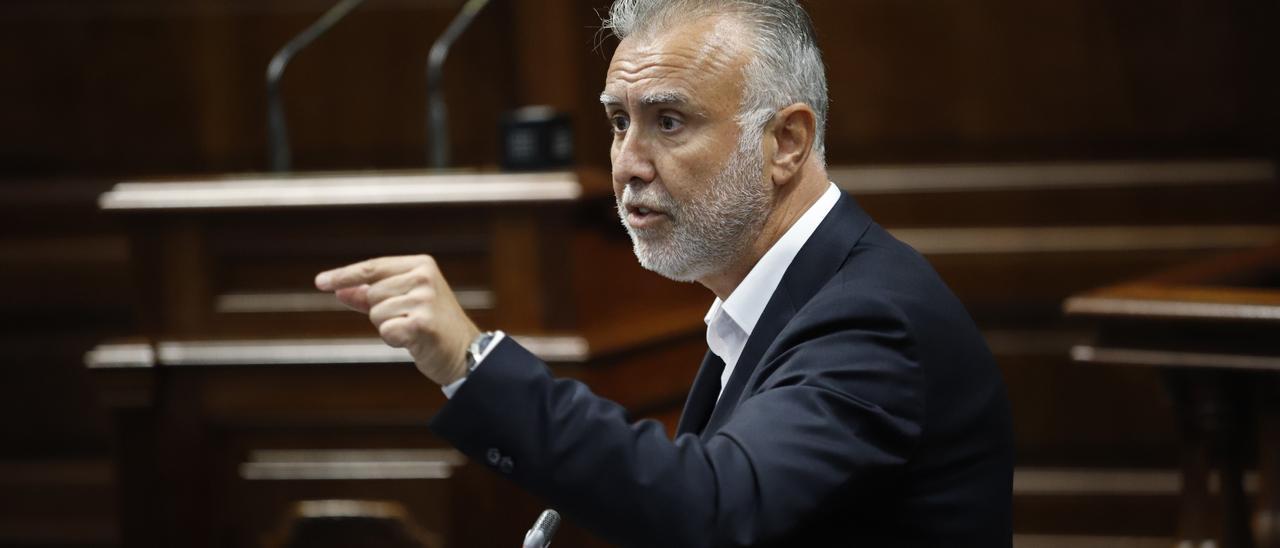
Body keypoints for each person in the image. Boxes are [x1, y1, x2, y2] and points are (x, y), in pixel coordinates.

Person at [314, 0, 1013, 545]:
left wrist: (472, 362)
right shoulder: (779, 299)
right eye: (619, 121)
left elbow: (711, 507)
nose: (627, 163)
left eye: (669, 122)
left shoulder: (872, 320)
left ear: (786, 143)